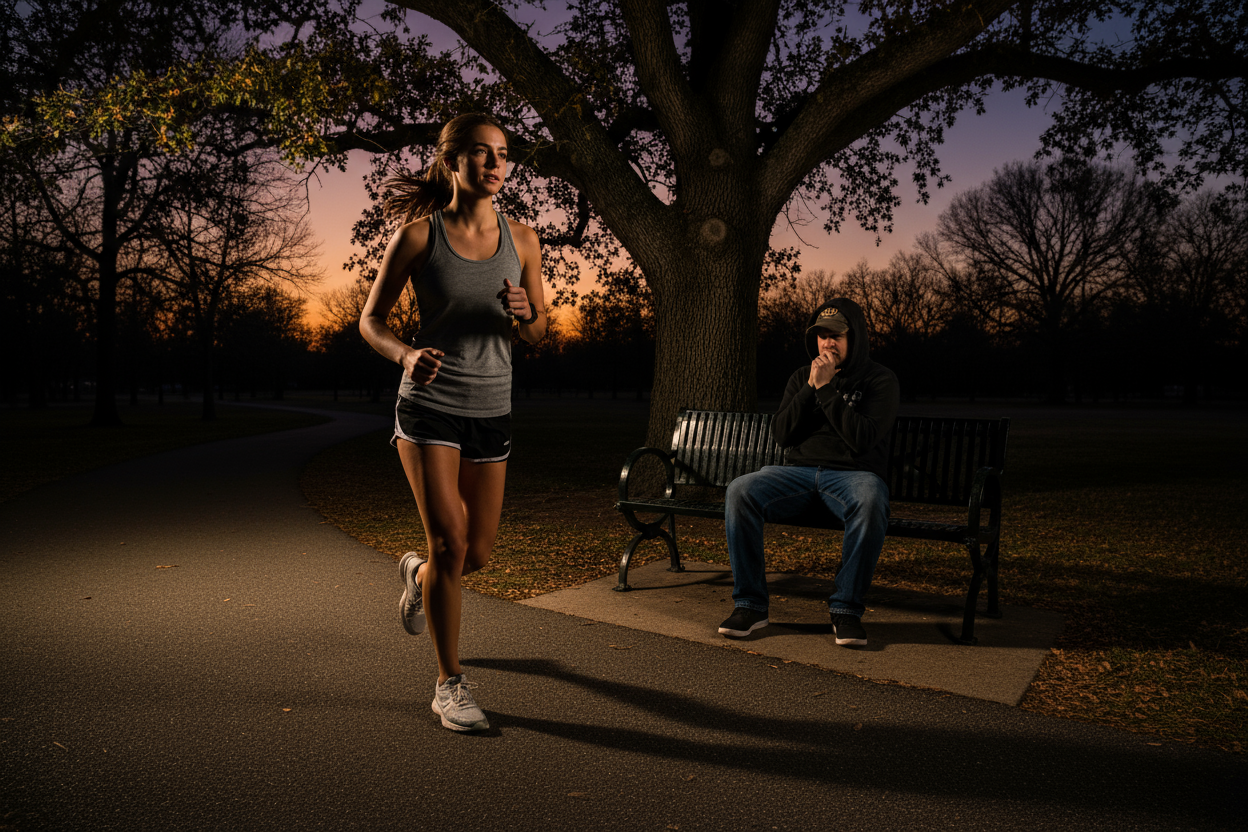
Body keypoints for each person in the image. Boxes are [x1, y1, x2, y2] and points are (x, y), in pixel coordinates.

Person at [359, 113, 546, 731]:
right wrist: (407, 353)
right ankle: (449, 684)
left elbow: (540, 330)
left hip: (493, 409)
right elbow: (371, 321)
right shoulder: (418, 236)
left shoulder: (523, 240)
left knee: (478, 553)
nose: (494, 165)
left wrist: (526, 313)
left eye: (503, 155)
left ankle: (419, 573)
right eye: (480, 154)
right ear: (452, 162)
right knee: (449, 541)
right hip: (429, 406)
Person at [717, 298, 898, 647]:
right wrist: (811, 387)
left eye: (837, 336)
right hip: (797, 475)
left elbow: (862, 440)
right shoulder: (804, 376)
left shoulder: (881, 380)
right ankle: (751, 605)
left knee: (872, 497)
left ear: (855, 337)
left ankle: (845, 609)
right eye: (822, 336)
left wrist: (828, 390)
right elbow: (782, 434)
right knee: (740, 490)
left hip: (852, 476)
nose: (828, 343)